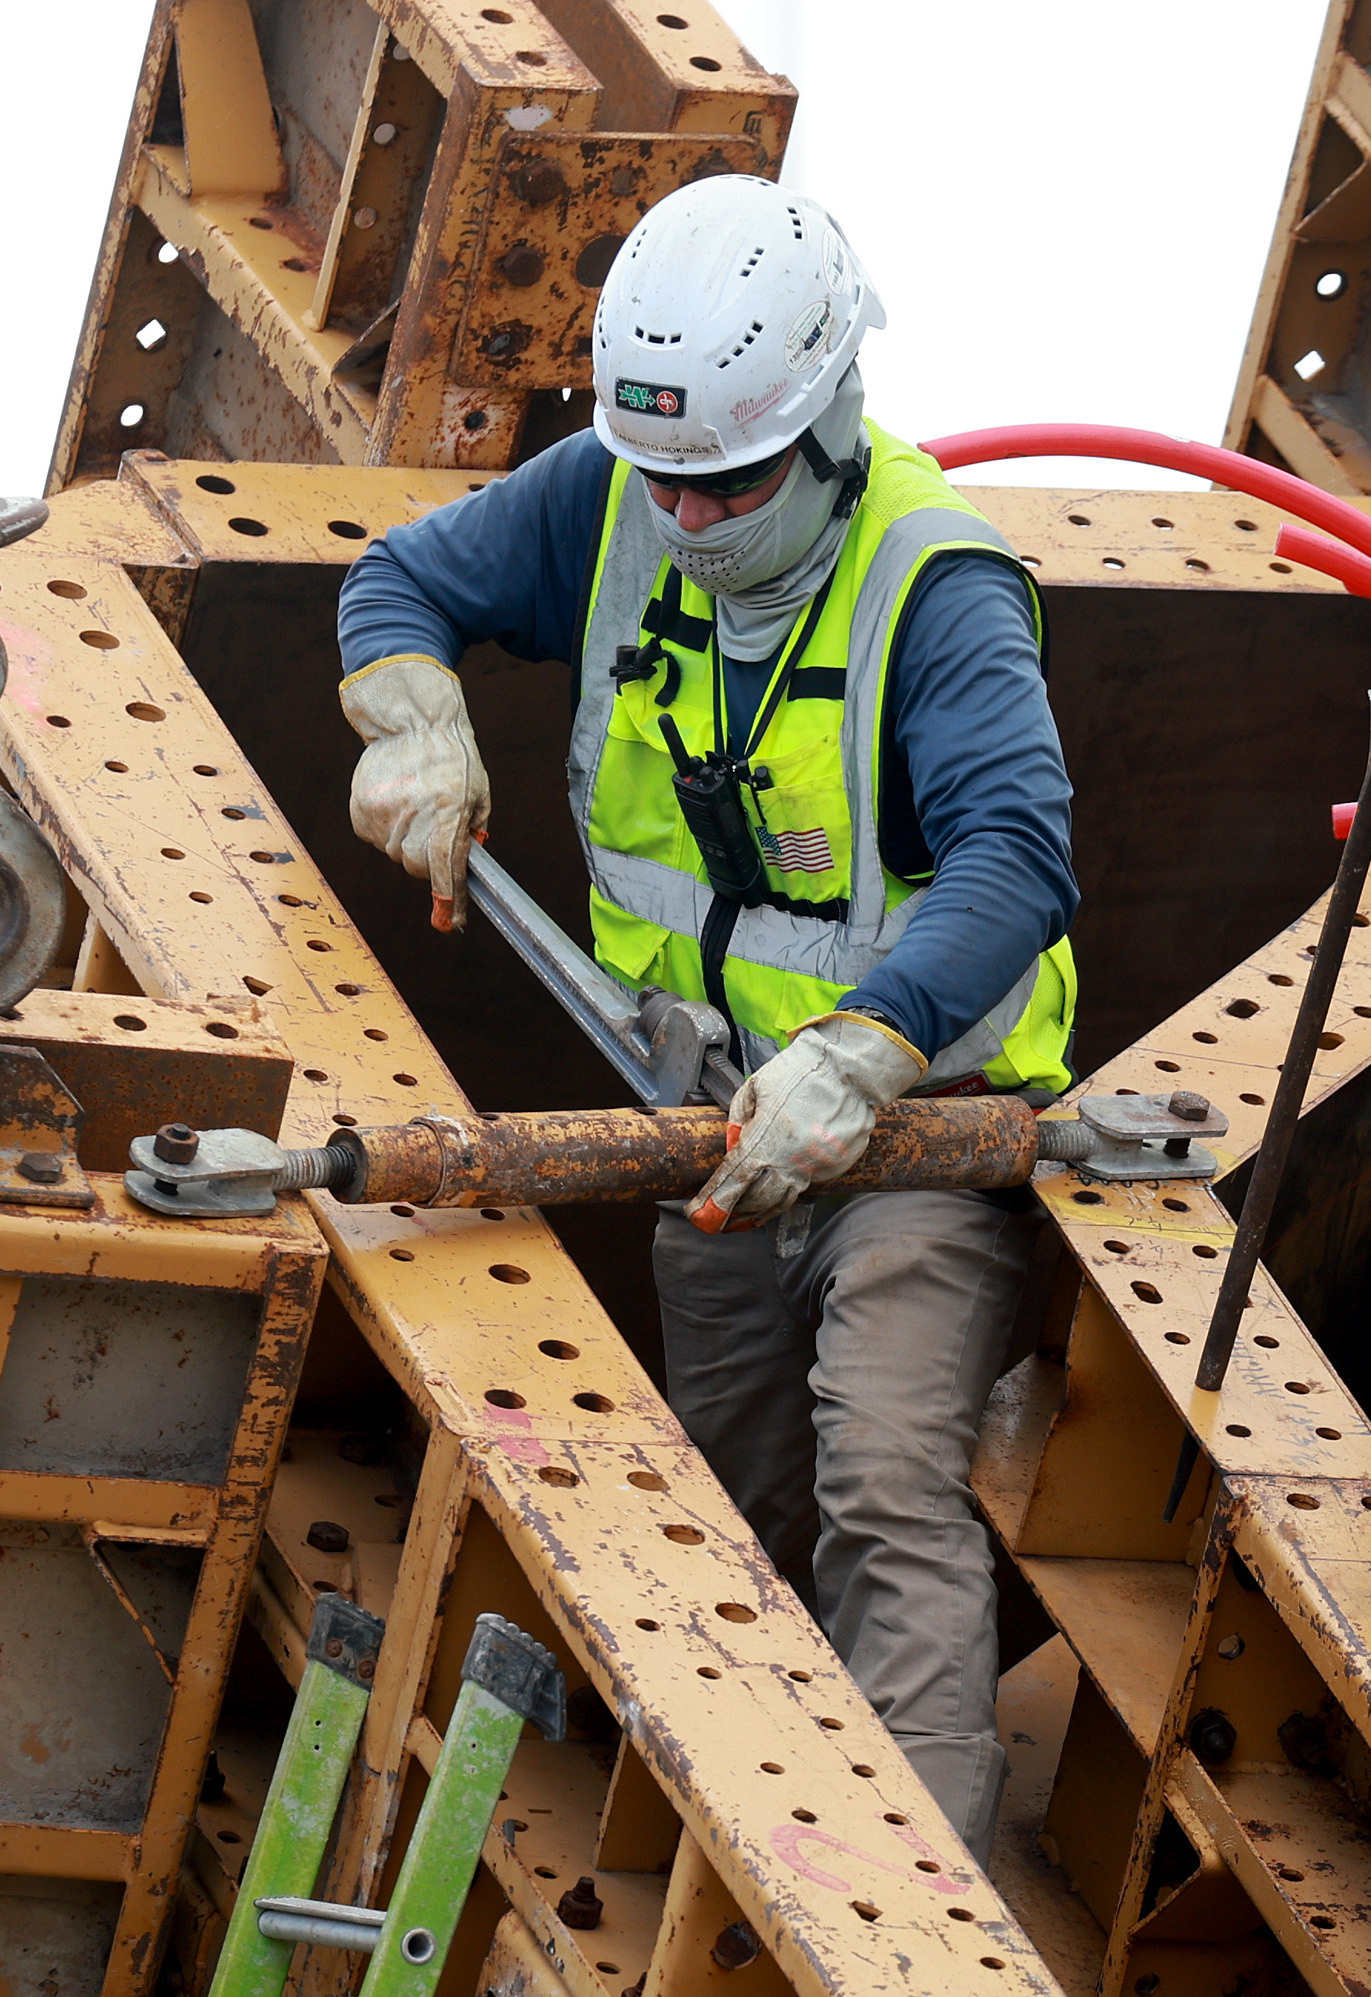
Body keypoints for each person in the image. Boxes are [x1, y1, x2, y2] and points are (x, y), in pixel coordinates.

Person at [333, 176, 1077, 1856]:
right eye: (661, 477)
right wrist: (417, 719)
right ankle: (735, 1866)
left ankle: (914, 1925)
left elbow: (1018, 858)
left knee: (886, 1481)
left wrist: (865, 1045)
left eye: (727, 482)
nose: (683, 517)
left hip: (912, 1140)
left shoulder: (934, 585)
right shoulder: (612, 493)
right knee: (729, 1514)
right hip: (709, 1129)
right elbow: (395, 585)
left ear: (829, 422)